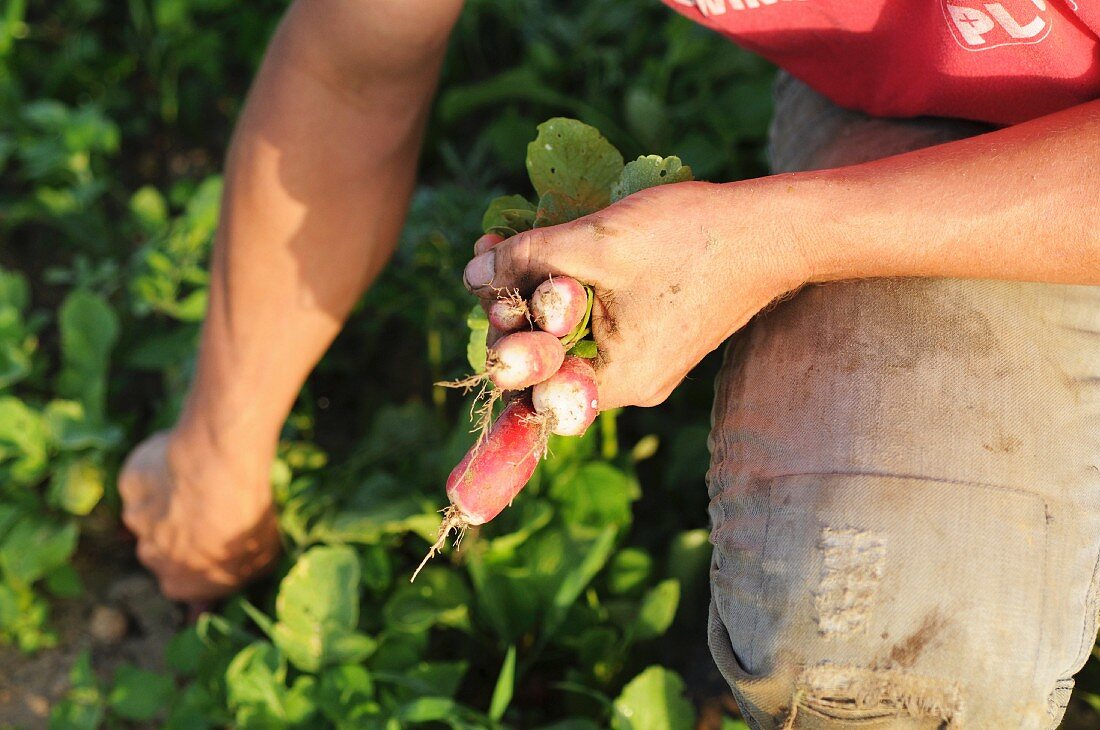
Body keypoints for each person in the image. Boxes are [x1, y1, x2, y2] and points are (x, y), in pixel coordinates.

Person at [118, 0, 1100, 726]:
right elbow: (347, 68)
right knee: (878, 673)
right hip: (945, 107)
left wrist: (782, 239)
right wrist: (217, 449)